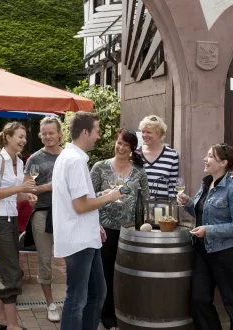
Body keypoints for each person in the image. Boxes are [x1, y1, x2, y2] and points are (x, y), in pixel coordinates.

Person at [52, 111, 123, 330]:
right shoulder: (74, 161)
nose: (99, 136)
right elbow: (80, 205)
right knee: (78, 298)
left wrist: (96, 223)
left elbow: (76, 203)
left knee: (97, 293)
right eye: (97, 131)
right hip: (79, 240)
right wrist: (109, 197)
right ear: (85, 132)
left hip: (85, 236)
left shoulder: (70, 157)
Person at [177, 143, 233, 330]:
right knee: (199, 300)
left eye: (210, 156)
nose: (205, 159)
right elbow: (202, 212)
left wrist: (208, 230)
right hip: (203, 252)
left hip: (226, 254)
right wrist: (188, 202)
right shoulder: (206, 184)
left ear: (223, 163)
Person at [90, 129, 150, 330]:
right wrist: (104, 194)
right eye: (119, 143)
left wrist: (144, 226)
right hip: (104, 228)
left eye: (126, 144)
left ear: (132, 148)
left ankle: (124, 310)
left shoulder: (139, 172)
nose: (121, 147)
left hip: (129, 230)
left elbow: (146, 200)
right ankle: (106, 315)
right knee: (106, 272)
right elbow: (87, 196)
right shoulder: (100, 167)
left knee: (125, 273)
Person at [0, 122, 38, 330]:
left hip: (11, 219)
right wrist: (20, 188)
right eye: (20, 136)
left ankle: (1, 321)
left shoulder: (18, 161)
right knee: (12, 272)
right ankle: (13, 325)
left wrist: (26, 196)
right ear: (7, 137)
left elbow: (13, 195)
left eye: (25, 137)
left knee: (4, 269)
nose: (24, 140)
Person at [23, 117, 64, 322]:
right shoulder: (35, 159)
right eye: (44, 133)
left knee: (73, 258)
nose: (48, 136)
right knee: (45, 260)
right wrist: (48, 187)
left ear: (59, 133)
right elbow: (27, 188)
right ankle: (50, 304)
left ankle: (72, 299)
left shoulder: (69, 156)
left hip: (67, 213)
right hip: (42, 212)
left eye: (51, 132)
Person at [136, 115, 179, 198]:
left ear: (159, 133)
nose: (144, 135)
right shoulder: (135, 153)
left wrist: (171, 208)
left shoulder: (172, 155)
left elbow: (173, 187)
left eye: (148, 132)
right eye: (143, 132)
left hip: (162, 208)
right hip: (139, 208)